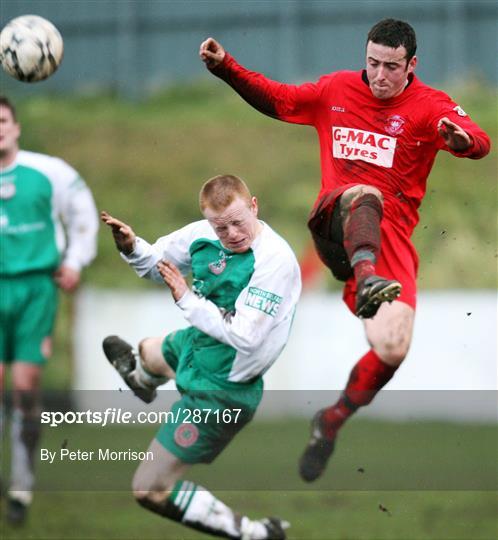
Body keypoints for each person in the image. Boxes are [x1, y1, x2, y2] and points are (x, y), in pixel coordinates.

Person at [199, 18, 491, 482]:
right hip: (334, 223)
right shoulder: (335, 89)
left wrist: (463, 141)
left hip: (390, 241)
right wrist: (227, 69)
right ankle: (367, 274)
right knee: (363, 195)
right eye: (372, 62)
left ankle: (331, 421)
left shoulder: (428, 106)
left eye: (391, 67)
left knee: (392, 348)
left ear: (411, 65)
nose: (379, 74)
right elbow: (279, 99)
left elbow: (480, 140)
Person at [101, 174, 301, 539]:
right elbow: (155, 264)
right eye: (220, 227)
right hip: (197, 345)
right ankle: (143, 380)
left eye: (239, 222)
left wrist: (186, 299)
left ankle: (254, 533)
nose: (232, 234)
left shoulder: (275, 261)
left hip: (223, 388)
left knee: (148, 489)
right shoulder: (202, 234)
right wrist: (131, 246)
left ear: (254, 206)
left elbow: (246, 337)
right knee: (147, 350)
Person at [0, 96, 99, 523]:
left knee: (26, 384)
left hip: (36, 288)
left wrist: (75, 259)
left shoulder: (50, 172)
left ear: (16, 127)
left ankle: (21, 484)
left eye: (2, 120)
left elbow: (82, 212)